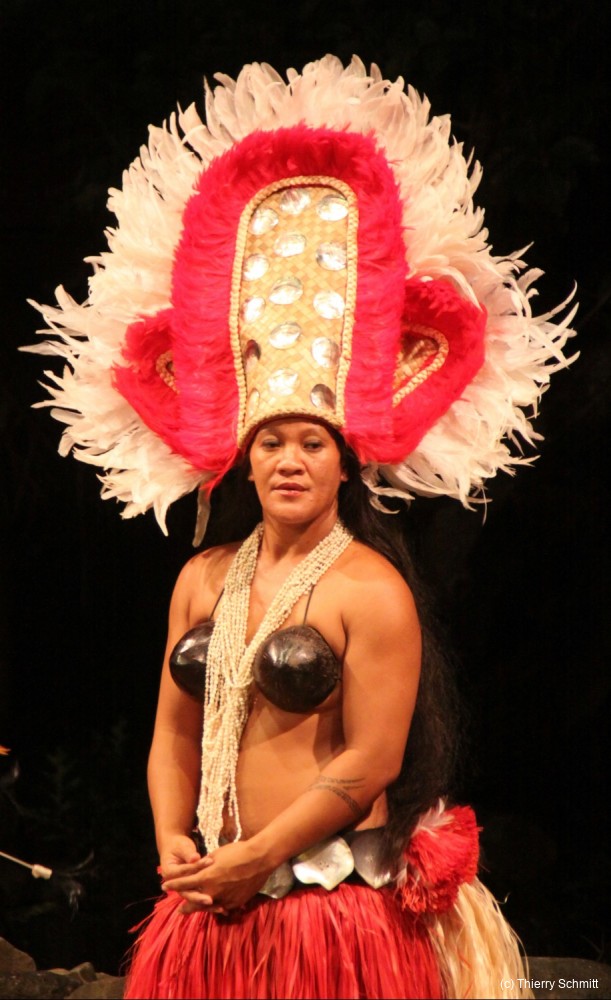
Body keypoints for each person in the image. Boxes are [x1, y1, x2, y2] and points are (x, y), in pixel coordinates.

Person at [27, 56, 575, 998]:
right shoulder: (202, 576)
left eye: (311, 444)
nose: (289, 460)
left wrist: (261, 855)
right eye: (271, 442)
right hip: (210, 901)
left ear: (343, 461)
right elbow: (172, 730)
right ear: (244, 460)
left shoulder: (369, 587)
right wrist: (173, 837)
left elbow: (370, 760)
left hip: (328, 913)